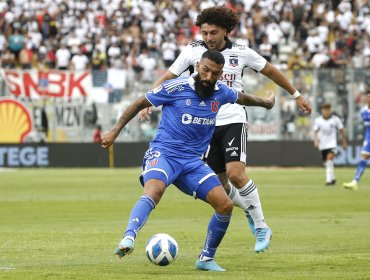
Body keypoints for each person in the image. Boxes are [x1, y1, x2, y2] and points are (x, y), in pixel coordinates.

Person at [139, 6, 312, 252]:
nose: (208, 37)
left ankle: (261, 226)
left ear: (226, 31)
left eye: (213, 32)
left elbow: (271, 70)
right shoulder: (192, 51)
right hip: (204, 127)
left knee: (235, 174)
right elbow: (168, 76)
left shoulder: (241, 52)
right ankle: (250, 209)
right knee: (221, 186)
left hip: (233, 118)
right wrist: (147, 104)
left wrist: (296, 95)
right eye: (205, 32)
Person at [101, 50, 275, 272]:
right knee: (154, 191)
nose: (209, 77)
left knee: (225, 205)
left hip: (193, 162)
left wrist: (267, 103)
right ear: (198, 66)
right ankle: (128, 238)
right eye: (205, 70)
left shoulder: (220, 92)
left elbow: (243, 98)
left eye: (215, 73)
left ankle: (206, 259)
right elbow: (139, 102)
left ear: (221, 74)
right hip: (164, 153)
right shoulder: (176, 87)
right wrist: (115, 131)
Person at [313, 103, 347, 186]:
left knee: (329, 159)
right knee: (327, 163)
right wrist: (316, 141)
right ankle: (333, 178)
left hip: (332, 143)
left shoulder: (335, 119)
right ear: (322, 110)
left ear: (330, 110)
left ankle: (328, 180)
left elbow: (342, 129)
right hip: (323, 144)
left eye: (328, 110)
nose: (326, 112)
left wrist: (344, 141)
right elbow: (315, 131)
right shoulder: (318, 120)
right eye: (324, 110)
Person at [343, 91, 370, 190]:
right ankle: (355, 181)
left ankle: (355, 181)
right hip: (368, 137)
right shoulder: (363, 111)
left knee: (364, 158)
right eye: (368, 97)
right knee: (364, 158)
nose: (369, 99)